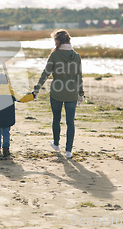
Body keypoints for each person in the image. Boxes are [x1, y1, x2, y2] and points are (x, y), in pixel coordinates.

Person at [33, 29, 84, 159]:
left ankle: (56, 144)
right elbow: (79, 76)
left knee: (56, 118)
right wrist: (81, 93)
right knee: (70, 122)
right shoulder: (76, 56)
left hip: (57, 92)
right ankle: (68, 151)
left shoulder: (54, 56)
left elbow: (45, 73)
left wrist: (37, 89)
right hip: (72, 93)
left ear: (58, 41)